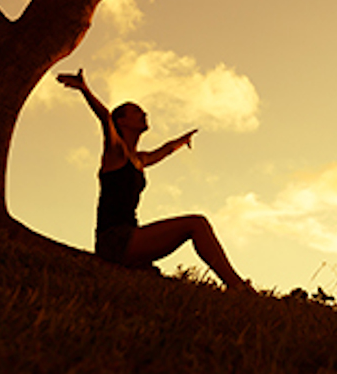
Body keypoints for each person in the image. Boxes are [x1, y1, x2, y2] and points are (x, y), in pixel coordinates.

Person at [57, 68, 252, 291]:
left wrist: (182, 141)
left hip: (130, 235)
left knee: (193, 229)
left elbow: (165, 150)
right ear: (121, 122)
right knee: (197, 224)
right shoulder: (115, 153)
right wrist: (85, 90)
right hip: (116, 240)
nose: (144, 114)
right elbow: (105, 118)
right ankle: (238, 287)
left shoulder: (140, 159)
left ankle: (233, 285)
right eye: (136, 112)